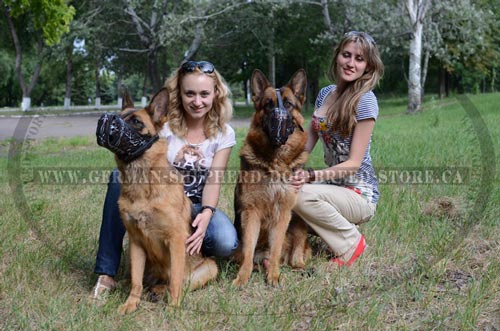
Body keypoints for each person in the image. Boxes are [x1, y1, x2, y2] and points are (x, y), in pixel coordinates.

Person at [92, 60, 239, 301]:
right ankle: (107, 272)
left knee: (225, 241)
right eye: (189, 93)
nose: (197, 101)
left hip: (195, 206)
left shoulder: (224, 133)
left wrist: (207, 215)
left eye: (204, 94)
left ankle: (179, 258)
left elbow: (214, 180)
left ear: (216, 94)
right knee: (117, 178)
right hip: (161, 194)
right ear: (179, 94)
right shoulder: (164, 125)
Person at [290, 31, 384, 267]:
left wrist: (311, 176)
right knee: (284, 192)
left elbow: (354, 162)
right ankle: (334, 229)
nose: (351, 63)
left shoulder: (365, 100)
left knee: (301, 196)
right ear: (337, 56)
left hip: (359, 193)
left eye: (359, 59)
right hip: (333, 187)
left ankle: (352, 243)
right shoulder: (324, 94)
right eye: (346, 55)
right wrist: (286, 170)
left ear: (368, 66)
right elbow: (306, 144)